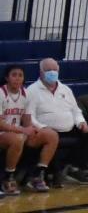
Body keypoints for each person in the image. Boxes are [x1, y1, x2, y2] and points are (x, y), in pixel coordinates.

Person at [24, 58, 88, 186]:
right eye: (49, 70)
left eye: (55, 70)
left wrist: (81, 122)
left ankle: (74, 166)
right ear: (41, 72)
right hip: (48, 130)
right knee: (52, 138)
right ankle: (55, 172)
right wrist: (42, 128)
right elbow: (29, 116)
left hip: (70, 127)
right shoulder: (32, 91)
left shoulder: (65, 89)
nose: (52, 73)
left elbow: (76, 110)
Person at [0, 65, 58, 193]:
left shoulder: (25, 93)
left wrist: (30, 129)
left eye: (20, 75)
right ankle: (8, 178)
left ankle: (37, 175)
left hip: (17, 132)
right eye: (14, 75)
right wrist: (22, 131)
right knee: (18, 139)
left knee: (51, 135)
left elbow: (26, 118)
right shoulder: (1, 93)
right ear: (6, 78)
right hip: (3, 133)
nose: (17, 78)